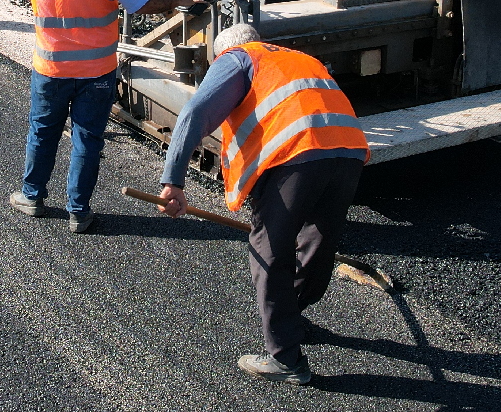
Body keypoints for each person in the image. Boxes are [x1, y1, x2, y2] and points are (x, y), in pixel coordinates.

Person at [153, 22, 368, 385]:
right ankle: (291, 317)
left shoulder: (236, 58)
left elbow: (196, 113)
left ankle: (285, 356)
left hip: (297, 152)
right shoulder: (299, 59)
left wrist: (172, 180)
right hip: (347, 149)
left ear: (225, 52)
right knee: (318, 240)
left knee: (268, 248)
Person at [11, 0, 198, 234]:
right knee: (87, 137)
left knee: (42, 131)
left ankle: (32, 196)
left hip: (50, 67)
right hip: (96, 71)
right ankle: (78, 212)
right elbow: (141, 3)